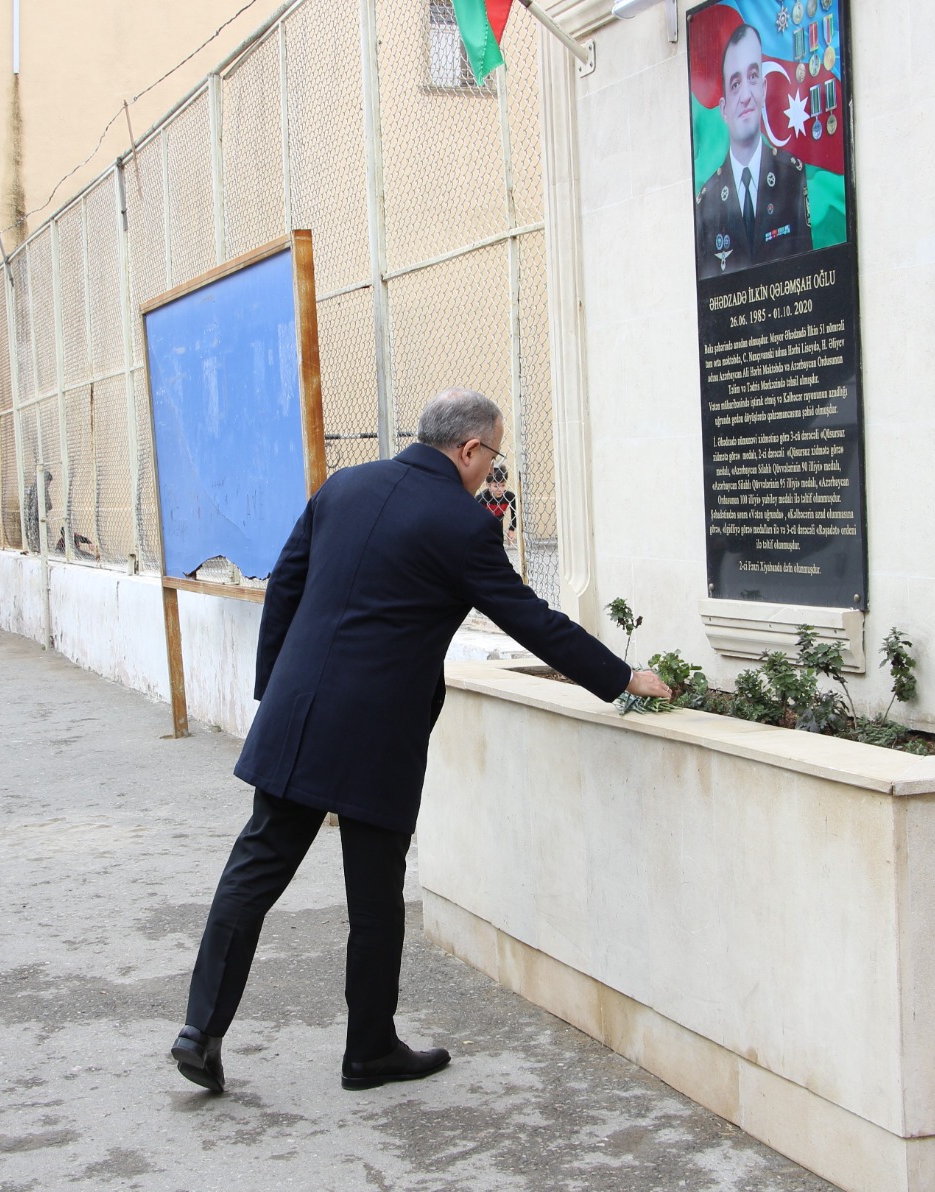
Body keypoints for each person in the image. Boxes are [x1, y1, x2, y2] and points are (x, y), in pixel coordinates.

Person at [171, 388, 670, 1095]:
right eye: (493, 456)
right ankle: (369, 1049)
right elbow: (532, 620)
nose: (491, 471)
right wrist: (621, 677)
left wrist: (276, 690)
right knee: (375, 896)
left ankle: (200, 1030)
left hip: (298, 713)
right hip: (376, 733)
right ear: (469, 449)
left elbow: (285, 587)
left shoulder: (344, 486)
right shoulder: (461, 525)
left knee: (253, 871)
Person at [695, 22, 812, 279]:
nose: (746, 95)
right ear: (724, 109)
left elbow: (807, 273)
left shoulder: (791, 177)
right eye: (735, 84)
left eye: (753, 76)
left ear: (764, 88)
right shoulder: (706, 203)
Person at [475, 464, 518, 546]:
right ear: (488, 484)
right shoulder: (481, 499)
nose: (500, 489)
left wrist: (511, 529)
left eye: (503, 485)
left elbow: (515, 513)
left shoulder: (509, 497)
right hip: (483, 529)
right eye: (496, 486)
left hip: (498, 528)